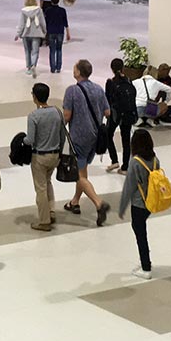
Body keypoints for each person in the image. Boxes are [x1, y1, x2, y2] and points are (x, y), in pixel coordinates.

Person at [63, 59, 111, 226]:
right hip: (95, 137)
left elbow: (67, 116)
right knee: (83, 170)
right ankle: (75, 202)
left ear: (78, 72)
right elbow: (107, 112)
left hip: (79, 137)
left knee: (78, 174)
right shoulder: (98, 89)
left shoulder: (72, 91)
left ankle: (98, 203)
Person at [118, 129, 161, 278]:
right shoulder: (155, 159)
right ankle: (145, 262)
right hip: (151, 202)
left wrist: (122, 207)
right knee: (141, 231)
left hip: (138, 204)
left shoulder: (135, 162)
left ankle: (146, 267)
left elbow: (129, 187)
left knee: (140, 234)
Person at [25, 82, 65, 231]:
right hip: (55, 155)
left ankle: (44, 221)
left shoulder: (33, 116)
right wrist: (60, 152)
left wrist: (22, 140)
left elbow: (30, 140)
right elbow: (62, 135)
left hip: (39, 157)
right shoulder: (57, 112)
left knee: (40, 188)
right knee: (48, 182)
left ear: (35, 97)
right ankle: (51, 211)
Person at [105, 58, 138, 174]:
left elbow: (107, 100)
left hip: (115, 115)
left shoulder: (110, 82)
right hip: (128, 114)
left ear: (112, 69)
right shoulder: (129, 81)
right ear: (123, 68)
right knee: (126, 140)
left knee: (108, 135)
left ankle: (114, 160)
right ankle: (125, 167)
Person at [16, 0, 47, 77]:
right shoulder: (39, 10)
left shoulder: (23, 11)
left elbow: (21, 24)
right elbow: (42, 22)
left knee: (27, 51)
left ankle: (29, 68)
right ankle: (34, 65)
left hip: (26, 34)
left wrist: (18, 33)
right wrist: (44, 31)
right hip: (36, 33)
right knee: (35, 51)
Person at [43, 0, 70, 74]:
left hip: (51, 31)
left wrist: (45, 32)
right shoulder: (62, 10)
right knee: (59, 49)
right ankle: (58, 67)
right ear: (58, 1)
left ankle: (52, 68)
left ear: (51, 1)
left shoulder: (48, 10)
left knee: (52, 50)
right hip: (60, 32)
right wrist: (68, 33)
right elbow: (65, 22)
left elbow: (46, 22)